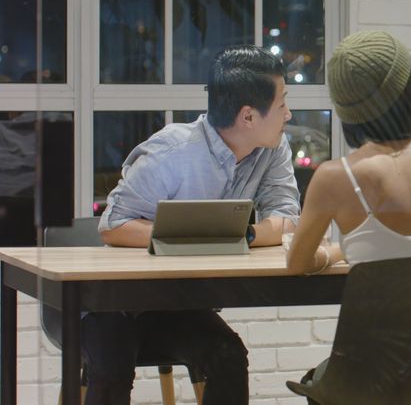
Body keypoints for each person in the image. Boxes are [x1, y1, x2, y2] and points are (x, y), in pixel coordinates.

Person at [89, 45, 301, 404]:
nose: (289, 114)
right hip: (116, 303)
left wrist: (242, 236)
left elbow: (287, 218)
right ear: (248, 116)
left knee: (227, 355)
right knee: (112, 364)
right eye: (282, 104)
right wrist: (191, 238)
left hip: (175, 301)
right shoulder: (171, 153)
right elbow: (113, 225)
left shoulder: (272, 149)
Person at [286, 31, 411, 274]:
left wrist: (344, 250)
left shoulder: (333, 177)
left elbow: (297, 264)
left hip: (371, 313)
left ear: (347, 109)